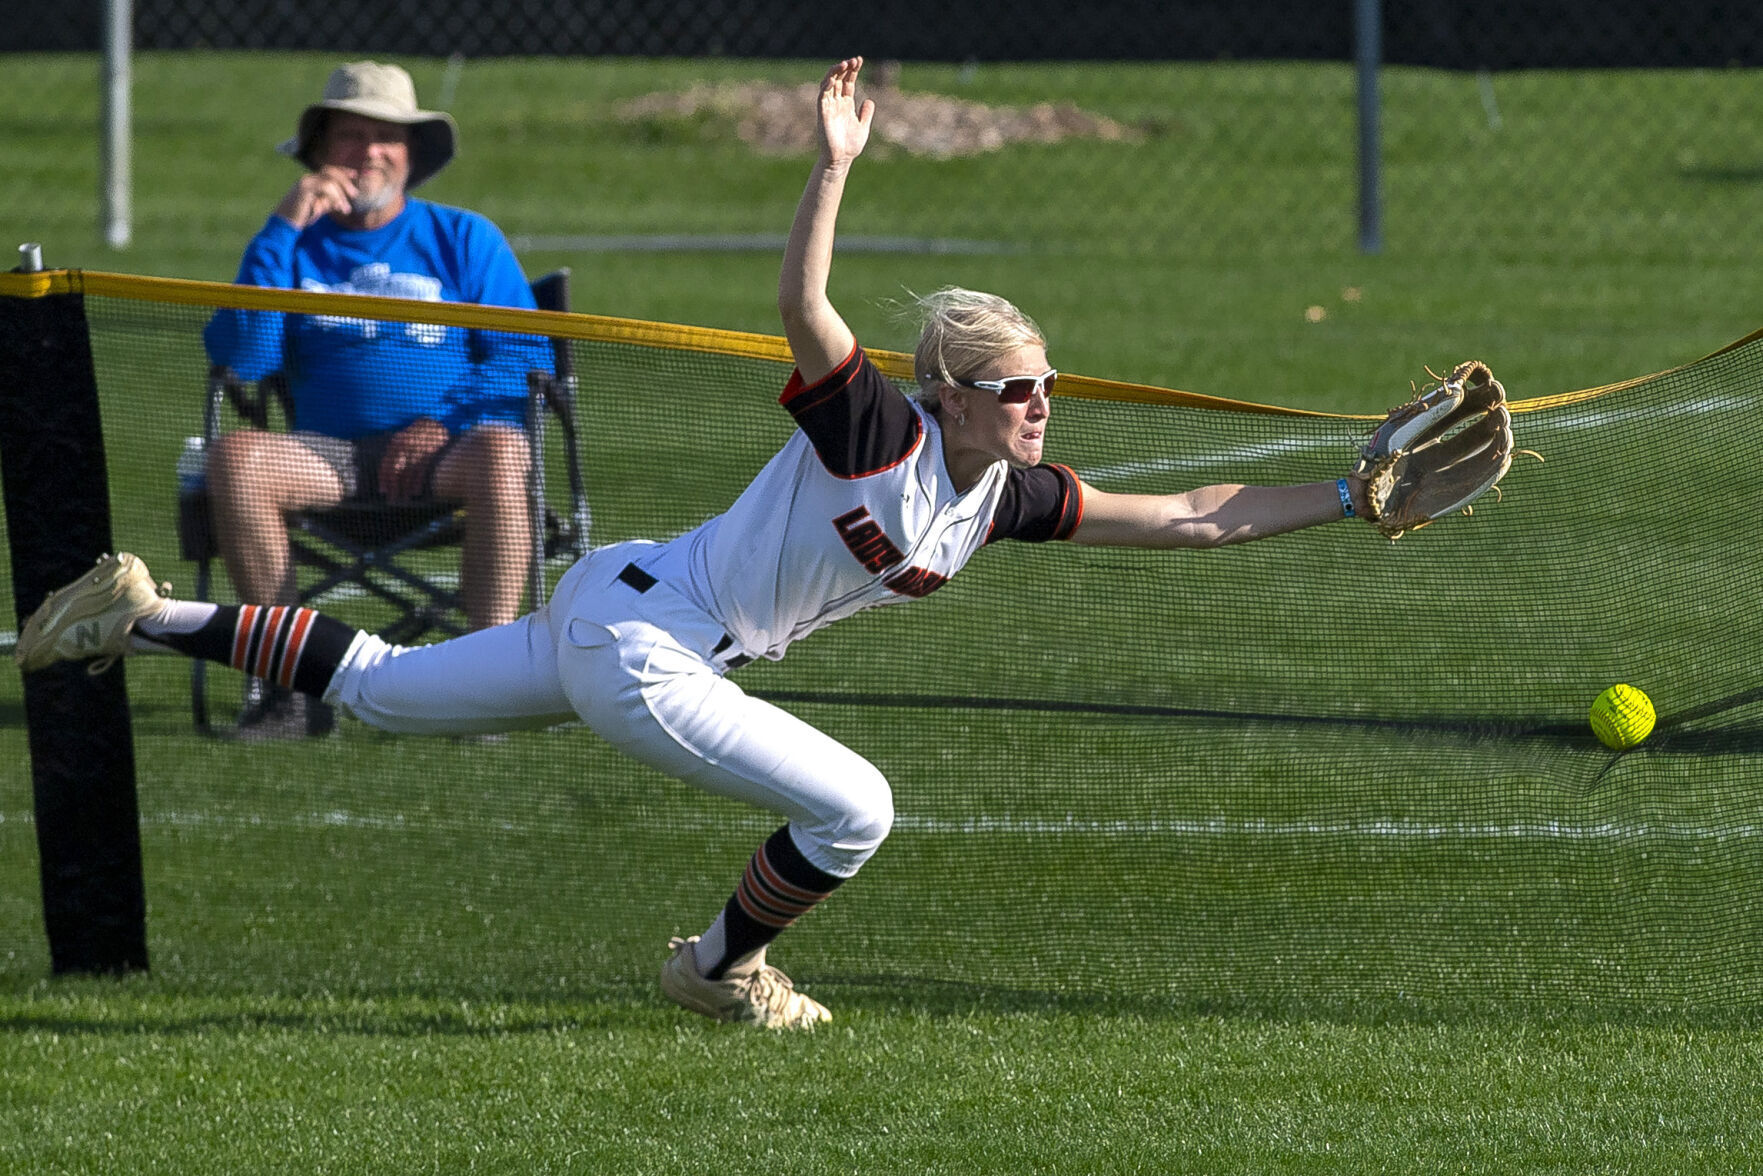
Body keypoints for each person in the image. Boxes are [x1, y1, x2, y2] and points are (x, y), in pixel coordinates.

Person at [15, 59, 1497, 1030]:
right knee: (858, 808)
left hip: (631, 608)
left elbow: (1191, 516)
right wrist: (833, 163)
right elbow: (806, 318)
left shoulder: (1002, 490)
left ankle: (143, 612)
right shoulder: (887, 436)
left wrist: (1344, 501)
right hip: (650, 643)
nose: (1043, 403)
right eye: (1018, 387)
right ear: (953, 395)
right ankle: (717, 971)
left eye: (1048, 383)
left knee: (391, 688)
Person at [202, 60, 554, 739]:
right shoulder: (292, 246)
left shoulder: (464, 238)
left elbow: (525, 358)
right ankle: (288, 688)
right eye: (350, 137)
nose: (369, 153)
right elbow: (244, 358)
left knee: (504, 449)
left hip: (449, 450)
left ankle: (488, 693)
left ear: (410, 153)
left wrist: (439, 423)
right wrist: (279, 230)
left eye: (386, 138)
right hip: (327, 455)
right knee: (236, 458)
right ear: (318, 154)